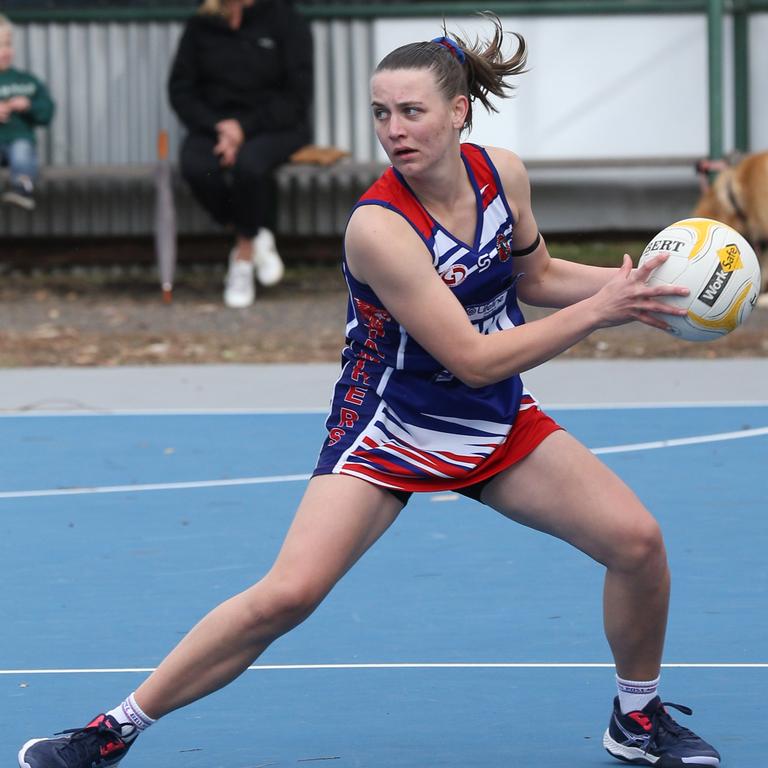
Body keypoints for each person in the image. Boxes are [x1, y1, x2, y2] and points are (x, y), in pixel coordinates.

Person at [17, 17, 721, 768]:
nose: (393, 130)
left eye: (411, 111)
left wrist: (640, 291)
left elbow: (536, 277)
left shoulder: (502, 175)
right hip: (392, 425)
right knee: (288, 594)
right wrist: (603, 311)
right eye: (380, 113)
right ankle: (111, 730)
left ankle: (636, 719)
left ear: (458, 113)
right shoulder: (378, 228)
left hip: (491, 420)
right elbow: (475, 357)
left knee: (638, 543)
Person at [168, 0, 313, 308]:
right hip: (215, 127)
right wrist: (219, 126)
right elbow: (180, 89)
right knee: (196, 167)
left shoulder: (286, 20)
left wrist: (243, 129)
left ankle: (243, 258)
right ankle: (256, 235)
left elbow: (297, 95)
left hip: (275, 125)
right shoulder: (201, 24)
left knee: (250, 167)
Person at [0, 13, 55, 211]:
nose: (5, 51)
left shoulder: (25, 82)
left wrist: (29, 105)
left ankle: (22, 190)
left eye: (8, 44)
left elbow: (47, 113)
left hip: (18, 139)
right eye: (0, 46)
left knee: (23, 152)